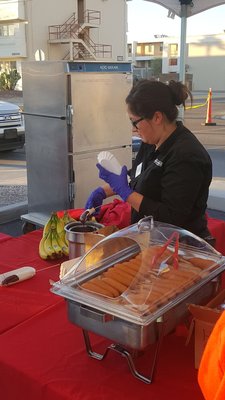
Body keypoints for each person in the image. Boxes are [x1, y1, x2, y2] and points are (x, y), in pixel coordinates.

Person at [85, 79, 213, 241]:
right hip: (149, 239)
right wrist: (104, 191)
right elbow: (140, 177)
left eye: (135, 122)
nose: (133, 129)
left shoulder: (186, 156)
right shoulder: (152, 142)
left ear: (157, 117)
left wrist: (126, 193)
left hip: (181, 248)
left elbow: (171, 218)